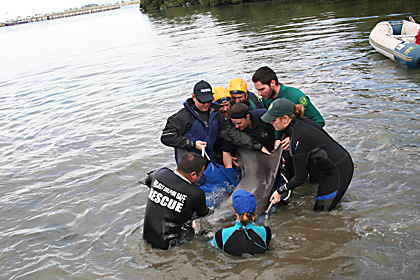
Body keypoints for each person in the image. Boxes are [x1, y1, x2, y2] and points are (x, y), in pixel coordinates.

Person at [261, 98, 354, 211]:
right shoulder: (302, 122)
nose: (271, 123)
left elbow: (300, 178)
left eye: (273, 120)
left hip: (339, 170)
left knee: (321, 213)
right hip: (330, 165)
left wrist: (279, 191)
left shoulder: (297, 138)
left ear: (285, 118)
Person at [161, 80, 267, 163]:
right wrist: (192, 144)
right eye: (203, 101)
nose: (206, 105)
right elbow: (166, 137)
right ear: (194, 97)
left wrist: (257, 145)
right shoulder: (182, 116)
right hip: (189, 164)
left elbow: (232, 133)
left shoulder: (215, 114)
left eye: (209, 101)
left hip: (209, 160)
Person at [143, 152, 210, 249]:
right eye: (201, 175)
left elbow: (147, 181)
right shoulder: (196, 193)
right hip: (169, 245)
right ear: (193, 175)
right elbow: (203, 214)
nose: (201, 177)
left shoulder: (160, 173)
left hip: (147, 236)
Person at [252, 66, 325, 127]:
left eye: (262, 89)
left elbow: (319, 122)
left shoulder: (297, 97)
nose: (259, 94)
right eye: (257, 90)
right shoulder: (266, 99)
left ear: (273, 83)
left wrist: (296, 136)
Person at [208, 190, 271, 256]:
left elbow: (210, 246)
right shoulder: (266, 232)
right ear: (255, 208)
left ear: (234, 210)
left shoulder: (221, 235)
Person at [222, 101, 277, 168]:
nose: (236, 126)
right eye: (234, 124)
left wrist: (278, 139)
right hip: (251, 162)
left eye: (239, 123)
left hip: (271, 152)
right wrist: (229, 169)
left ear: (247, 117)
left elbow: (280, 125)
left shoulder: (263, 116)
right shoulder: (234, 130)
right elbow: (226, 151)